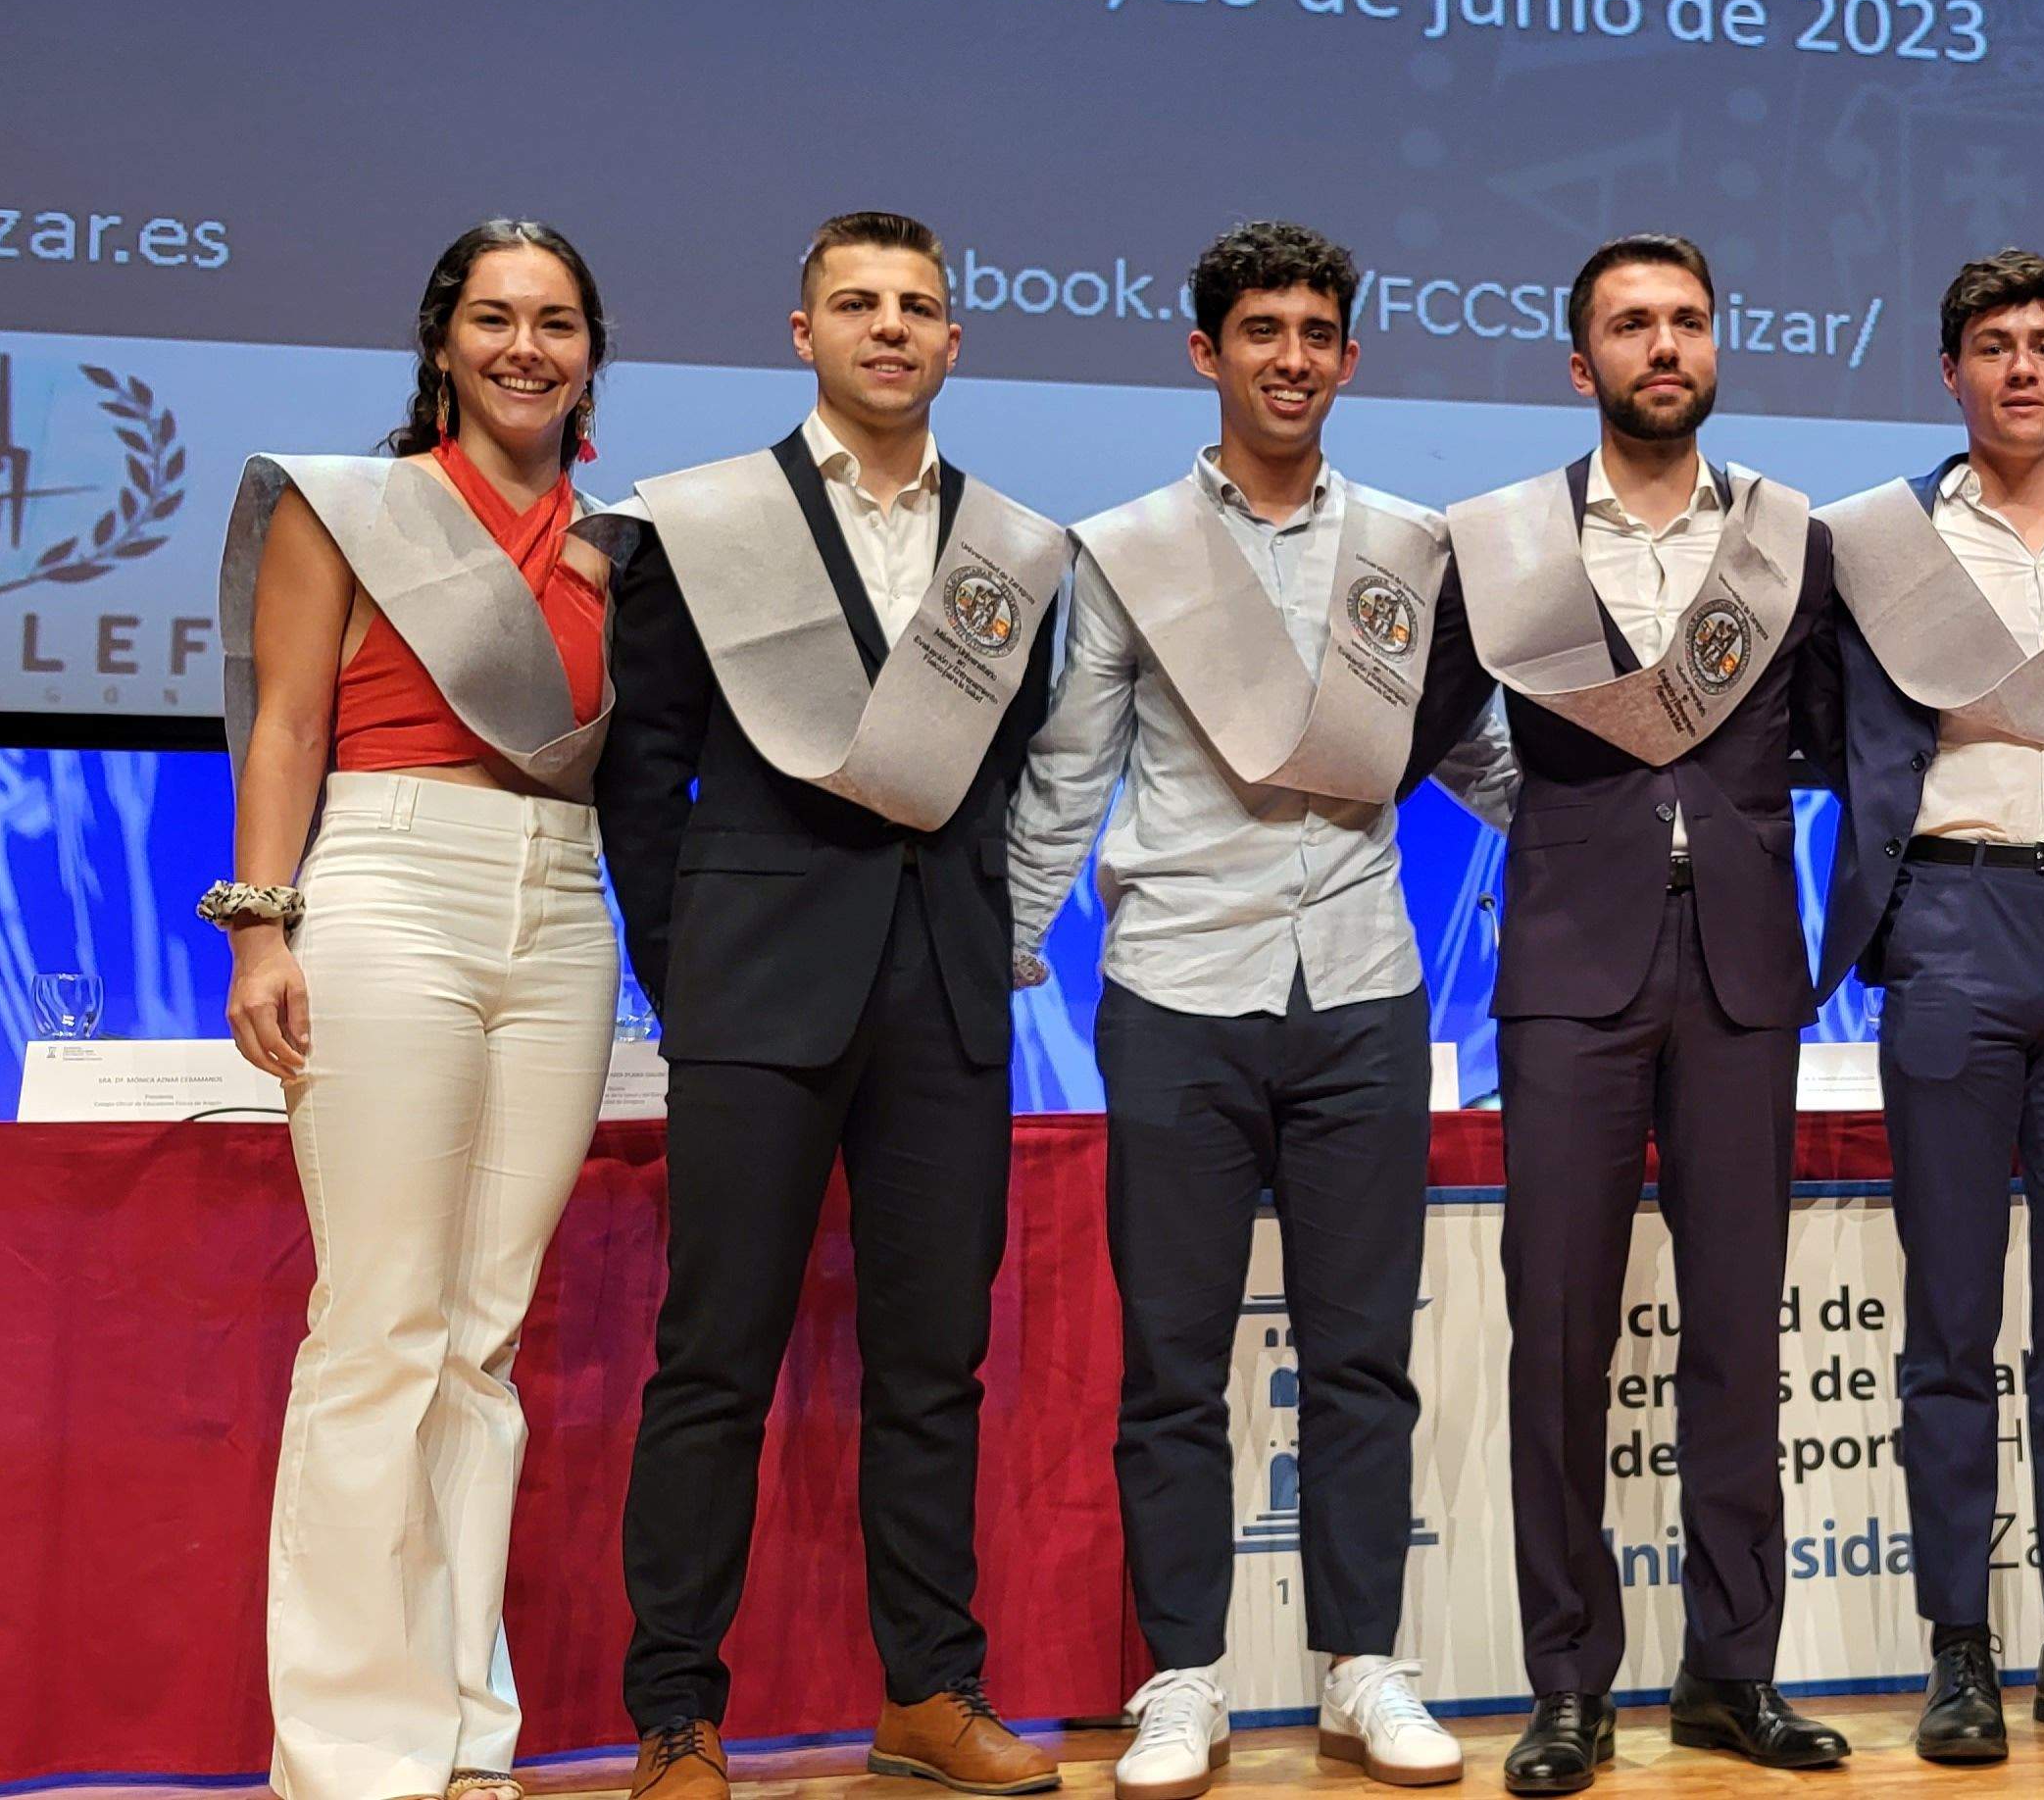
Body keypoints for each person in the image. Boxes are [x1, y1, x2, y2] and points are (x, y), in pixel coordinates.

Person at [1005, 220, 1516, 1800]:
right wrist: (1000, 950)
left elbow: (1469, 751)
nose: (1289, 360)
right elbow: (1070, 770)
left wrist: (1637, 835)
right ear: (1205, 352)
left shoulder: (1413, 544)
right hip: (1179, 988)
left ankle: (1364, 1666)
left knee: (1364, 1355)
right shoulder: (1129, 548)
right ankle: (1184, 1677)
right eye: (1259, 332)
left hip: (1362, 987)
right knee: (1174, 1364)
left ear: (1349, 358)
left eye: (1315, 334)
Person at [590, 211, 1079, 1800]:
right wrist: (686, 966)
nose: (890, 327)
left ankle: (929, 1693)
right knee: (714, 1360)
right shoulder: (706, 526)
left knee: (934, 1366)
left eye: (917, 306)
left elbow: (1006, 772)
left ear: (954, 342)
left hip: (945, 1000)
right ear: (802, 333)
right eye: (857, 303)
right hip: (755, 994)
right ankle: (676, 1713)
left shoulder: (1013, 546)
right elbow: (641, 772)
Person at [1398, 233, 1850, 1794]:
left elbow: (1821, 735)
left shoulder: (1790, 542)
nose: (1666, 346)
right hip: (1567, 973)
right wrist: (1558, 821)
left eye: (1688, 321)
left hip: (1741, 972)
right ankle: (1569, 1684)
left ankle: (1735, 1672)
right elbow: (1431, 727)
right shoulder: (1507, 543)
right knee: (1560, 1337)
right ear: (1578, 360)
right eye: (1633, 325)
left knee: (1736, 1333)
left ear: (1716, 346)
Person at [216, 219, 620, 1800]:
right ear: (443, 341)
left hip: (563, 907)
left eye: (557, 322)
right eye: (496, 318)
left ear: (591, 355)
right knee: (381, 1325)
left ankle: (460, 1726)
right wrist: (264, 929)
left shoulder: (618, 544)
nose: (527, 347)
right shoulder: (353, 508)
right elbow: (288, 724)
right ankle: (347, 1749)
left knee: (482, 1341)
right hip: (390, 885)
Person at [1808, 249, 2044, 1764]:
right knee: (1952, 1319)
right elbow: (1827, 725)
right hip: (1954, 917)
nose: (2020, 367)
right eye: (1992, 344)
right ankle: (1958, 1650)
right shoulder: (1878, 544)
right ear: (1950, 372)